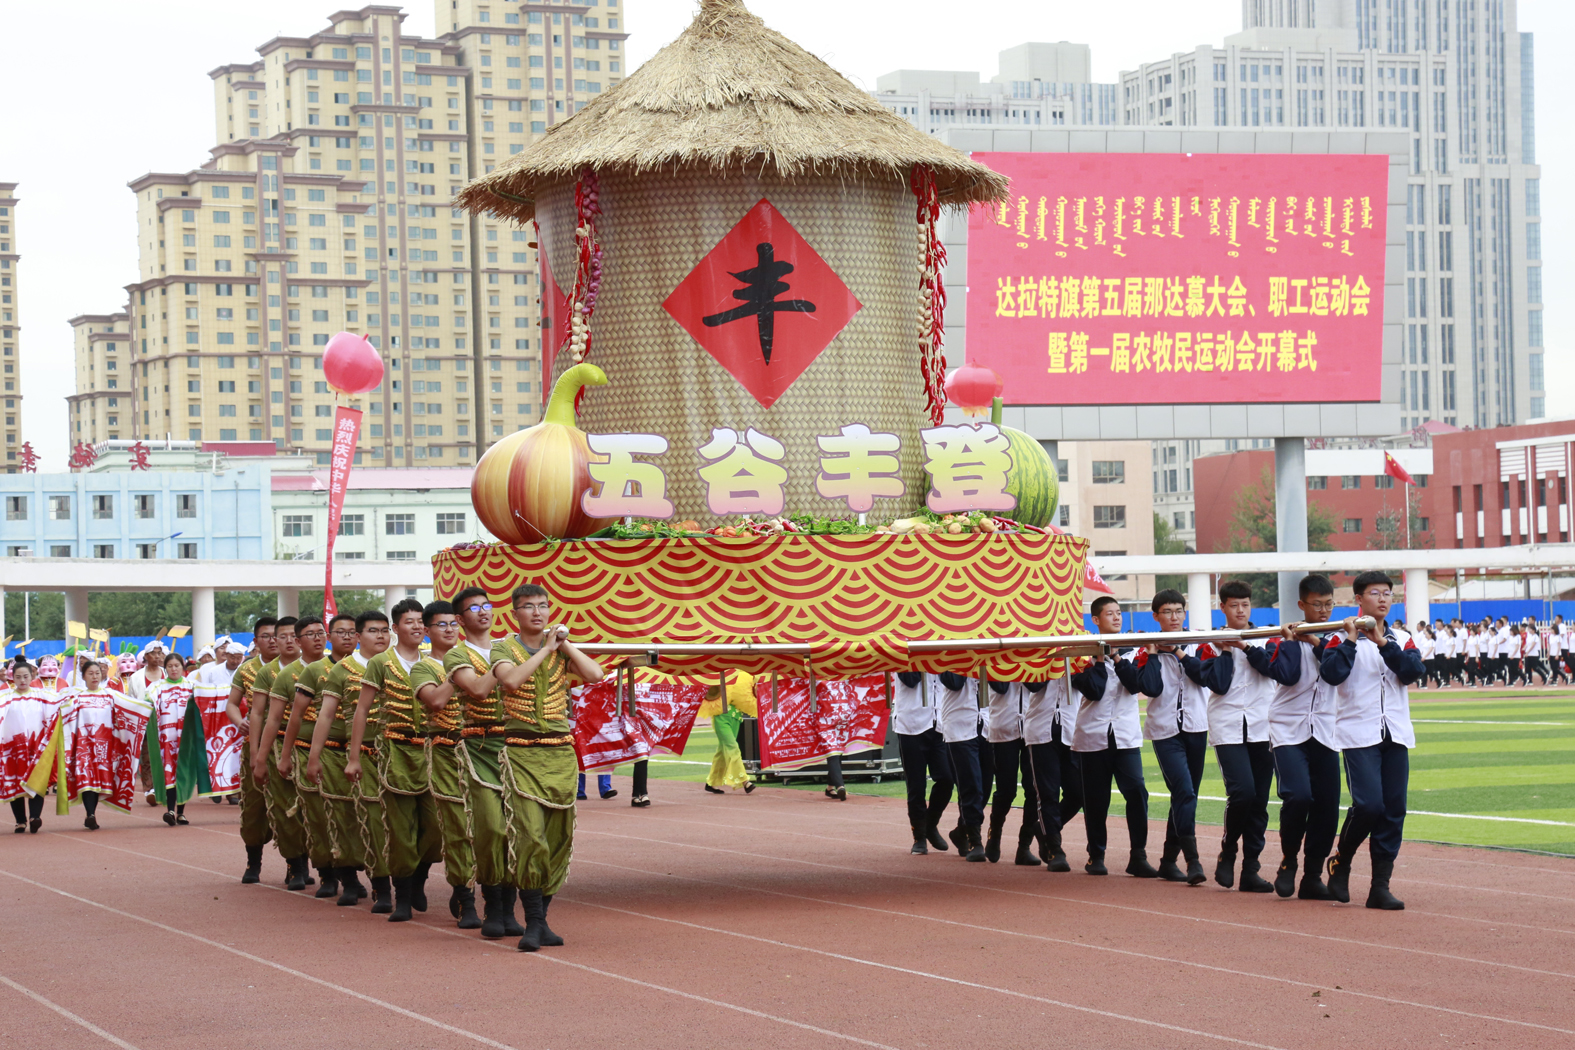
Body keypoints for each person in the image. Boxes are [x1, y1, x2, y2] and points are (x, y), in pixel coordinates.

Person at [489, 583, 606, 952]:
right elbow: (509, 680)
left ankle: (542, 921)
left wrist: (565, 645)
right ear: (515, 613)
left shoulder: (560, 647)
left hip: (559, 753)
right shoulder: (502, 647)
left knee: (558, 839)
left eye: (542, 606)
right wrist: (547, 650)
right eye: (528, 607)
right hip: (521, 753)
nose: (537, 613)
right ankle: (533, 920)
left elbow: (595, 674)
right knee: (530, 837)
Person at [1320, 571, 1424, 910]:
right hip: (1358, 733)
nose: (1382, 598)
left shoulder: (1403, 638)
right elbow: (1332, 675)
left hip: (1395, 732)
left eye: (1388, 593)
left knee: (1393, 810)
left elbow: (1411, 672)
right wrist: (1353, 640)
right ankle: (1341, 860)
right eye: (1374, 593)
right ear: (1358, 599)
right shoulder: (1339, 639)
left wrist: (1381, 642)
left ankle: (1380, 885)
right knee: (1369, 805)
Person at [354, 598, 444, 923]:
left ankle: (419, 876)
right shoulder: (381, 662)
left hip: (434, 753)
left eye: (422, 621)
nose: (418, 626)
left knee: (436, 828)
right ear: (395, 628)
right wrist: (354, 758)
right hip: (394, 753)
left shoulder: (438, 662)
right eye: (410, 622)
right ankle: (402, 895)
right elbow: (362, 710)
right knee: (400, 830)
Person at [1259, 575, 1340, 900]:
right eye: (1316, 604)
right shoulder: (1278, 639)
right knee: (1298, 796)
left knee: (1328, 805)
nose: (1323, 611)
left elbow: (1337, 673)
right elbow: (1287, 676)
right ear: (1301, 605)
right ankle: (1289, 859)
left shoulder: (1339, 639)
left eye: (1328, 604)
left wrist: (1318, 643)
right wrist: (1294, 641)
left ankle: (1312, 875)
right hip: (1288, 728)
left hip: (1324, 729)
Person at [445, 587, 519, 941]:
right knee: (491, 828)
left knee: (520, 829)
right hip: (478, 746)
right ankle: (491, 903)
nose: (484, 612)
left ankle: (510, 906)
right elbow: (477, 690)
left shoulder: (512, 646)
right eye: (474, 608)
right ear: (460, 620)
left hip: (518, 745)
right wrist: (502, 663)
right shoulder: (456, 655)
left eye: (487, 605)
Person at [1134, 589, 1218, 886]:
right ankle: (1193, 860)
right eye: (1167, 612)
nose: (1174, 617)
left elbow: (1206, 677)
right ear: (1155, 616)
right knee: (1184, 791)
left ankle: (1168, 861)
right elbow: (1151, 688)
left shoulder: (1200, 643)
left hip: (1196, 727)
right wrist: (1156, 653)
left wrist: (1179, 652)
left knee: (1185, 795)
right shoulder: (1144, 650)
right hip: (1164, 730)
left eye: (1178, 611)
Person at [307, 610, 389, 911]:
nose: (380, 636)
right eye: (372, 631)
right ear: (359, 637)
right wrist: (313, 758)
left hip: (393, 753)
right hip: (341, 753)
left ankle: (406, 880)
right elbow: (325, 715)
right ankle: (350, 879)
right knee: (346, 820)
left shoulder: (397, 665)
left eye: (384, 630)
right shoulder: (339, 670)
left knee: (385, 821)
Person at [1070, 596, 1154, 877]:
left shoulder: (1132, 653)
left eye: (1119, 613)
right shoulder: (1081, 654)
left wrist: (1116, 656)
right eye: (1110, 614)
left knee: (1137, 791)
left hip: (1126, 736)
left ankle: (1138, 855)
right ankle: (1096, 855)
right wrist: (1098, 658)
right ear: (1096, 620)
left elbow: (1135, 685)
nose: (1117, 618)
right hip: (1092, 735)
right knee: (1096, 800)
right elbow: (1093, 690)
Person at [411, 600, 482, 930]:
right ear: (427, 631)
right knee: (454, 827)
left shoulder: (480, 657)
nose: (450, 629)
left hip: (484, 751)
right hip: (444, 751)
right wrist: (459, 673)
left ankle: (492, 893)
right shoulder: (422, 668)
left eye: (454, 623)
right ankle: (464, 895)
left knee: (488, 827)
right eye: (441, 625)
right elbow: (436, 701)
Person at [279, 615, 356, 899]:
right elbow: (291, 718)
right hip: (317, 750)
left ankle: (355, 871)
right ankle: (327, 872)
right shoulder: (307, 673)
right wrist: (284, 757)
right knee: (321, 815)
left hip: (359, 752)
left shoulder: (367, 667)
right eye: (310, 634)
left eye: (320, 632)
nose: (317, 638)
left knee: (353, 815)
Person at [1210, 580, 1273, 893]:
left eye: (1245, 605)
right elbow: (1218, 684)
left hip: (1263, 726)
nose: (1240, 610)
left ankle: (1251, 869)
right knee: (1243, 793)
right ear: (1222, 607)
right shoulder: (1208, 642)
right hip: (1228, 726)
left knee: (1259, 801)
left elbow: (1272, 670)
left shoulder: (1266, 637)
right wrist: (1224, 651)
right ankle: (1228, 849)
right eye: (1233, 605)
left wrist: (1246, 646)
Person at [252, 617, 314, 890]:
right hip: (279, 746)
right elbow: (259, 715)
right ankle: (295, 865)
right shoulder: (268, 673)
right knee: (287, 810)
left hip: (315, 747)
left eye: (293, 635)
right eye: (283, 636)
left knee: (315, 810)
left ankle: (325, 867)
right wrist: (258, 756)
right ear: (275, 641)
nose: (289, 641)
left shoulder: (318, 668)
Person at [55, 657, 147, 829]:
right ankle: (90, 814)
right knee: (87, 779)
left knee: (100, 782)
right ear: (83, 676)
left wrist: (150, 705)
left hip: (105, 748)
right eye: (90, 673)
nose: (94, 676)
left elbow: (133, 707)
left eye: (97, 673)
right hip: (83, 747)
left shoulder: (110, 695)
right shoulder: (76, 698)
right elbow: (60, 712)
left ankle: (91, 813)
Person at [226, 617, 277, 883]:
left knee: (293, 805)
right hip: (255, 746)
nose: (272, 640)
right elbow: (232, 704)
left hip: (291, 745)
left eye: (276, 635)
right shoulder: (247, 669)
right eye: (265, 636)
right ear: (256, 642)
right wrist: (240, 721)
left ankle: (297, 864)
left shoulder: (298, 668)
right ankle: (253, 862)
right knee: (254, 806)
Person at [1022, 670, 1083, 873]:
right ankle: (1054, 848)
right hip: (1041, 730)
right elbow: (1032, 683)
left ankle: (1044, 828)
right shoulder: (1037, 652)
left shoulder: (1079, 651)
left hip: (1072, 729)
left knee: (1078, 792)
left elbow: (1091, 686)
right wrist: (1053, 662)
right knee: (1047, 794)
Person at [891, 671, 954, 855]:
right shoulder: (906, 650)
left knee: (947, 778)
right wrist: (926, 658)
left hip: (939, 723)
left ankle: (930, 824)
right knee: (916, 785)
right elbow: (910, 679)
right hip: (911, 723)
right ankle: (919, 836)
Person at [983, 678, 1040, 865]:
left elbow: (1036, 685)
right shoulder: (998, 656)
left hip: (1032, 726)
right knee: (1006, 790)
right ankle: (995, 832)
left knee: (1033, 789)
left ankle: (1024, 845)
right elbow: (1000, 686)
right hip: (1004, 727)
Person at [1, 659, 61, 833]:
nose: (22, 680)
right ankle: (20, 821)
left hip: (37, 748)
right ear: (12, 677)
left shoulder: (43, 695)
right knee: (16, 783)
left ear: (32, 676)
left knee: (38, 781)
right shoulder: (6, 697)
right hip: (14, 749)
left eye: (25, 676)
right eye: (18, 677)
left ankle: (35, 817)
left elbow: (61, 701)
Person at [938, 672, 991, 862]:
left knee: (985, 789)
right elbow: (954, 682)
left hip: (986, 725)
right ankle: (975, 841)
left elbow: (1001, 685)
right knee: (971, 787)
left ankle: (962, 830)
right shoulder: (946, 655)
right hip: (959, 726)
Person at [147, 652, 198, 827]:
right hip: (166, 739)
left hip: (186, 740)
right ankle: (170, 810)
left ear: (183, 667)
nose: (174, 669)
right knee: (169, 772)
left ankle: (181, 812)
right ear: (165, 668)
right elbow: (147, 703)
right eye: (170, 666)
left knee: (183, 772)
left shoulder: (192, 686)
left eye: (177, 666)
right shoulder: (156, 687)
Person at [698, 672, 757, 795]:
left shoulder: (742, 674)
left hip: (736, 717)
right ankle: (745, 781)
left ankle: (711, 783)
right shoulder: (721, 672)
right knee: (732, 747)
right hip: (721, 718)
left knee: (722, 752)